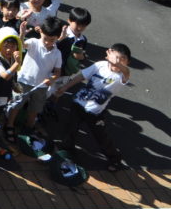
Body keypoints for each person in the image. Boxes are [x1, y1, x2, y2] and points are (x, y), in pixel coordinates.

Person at [55, 43, 131, 171]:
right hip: (79, 103)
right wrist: (64, 87)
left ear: (127, 62)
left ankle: (115, 159)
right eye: (116, 58)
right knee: (71, 128)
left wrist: (118, 64)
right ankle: (67, 149)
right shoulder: (100, 65)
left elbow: (127, 72)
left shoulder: (121, 76)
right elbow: (81, 76)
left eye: (122, 60)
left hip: (95, 112)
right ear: (109, 54)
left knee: (101, 137)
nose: (117, 62)